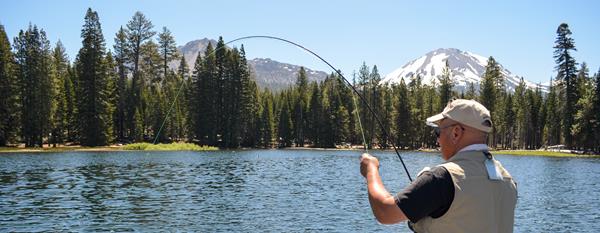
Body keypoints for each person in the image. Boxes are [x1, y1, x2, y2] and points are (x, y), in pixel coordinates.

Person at [360, 99, 517, 233]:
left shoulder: (442, 177)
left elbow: (384, 211)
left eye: (438, 132)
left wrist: (371, 170)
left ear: (456, 133)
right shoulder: (508, 180)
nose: (438, 140)